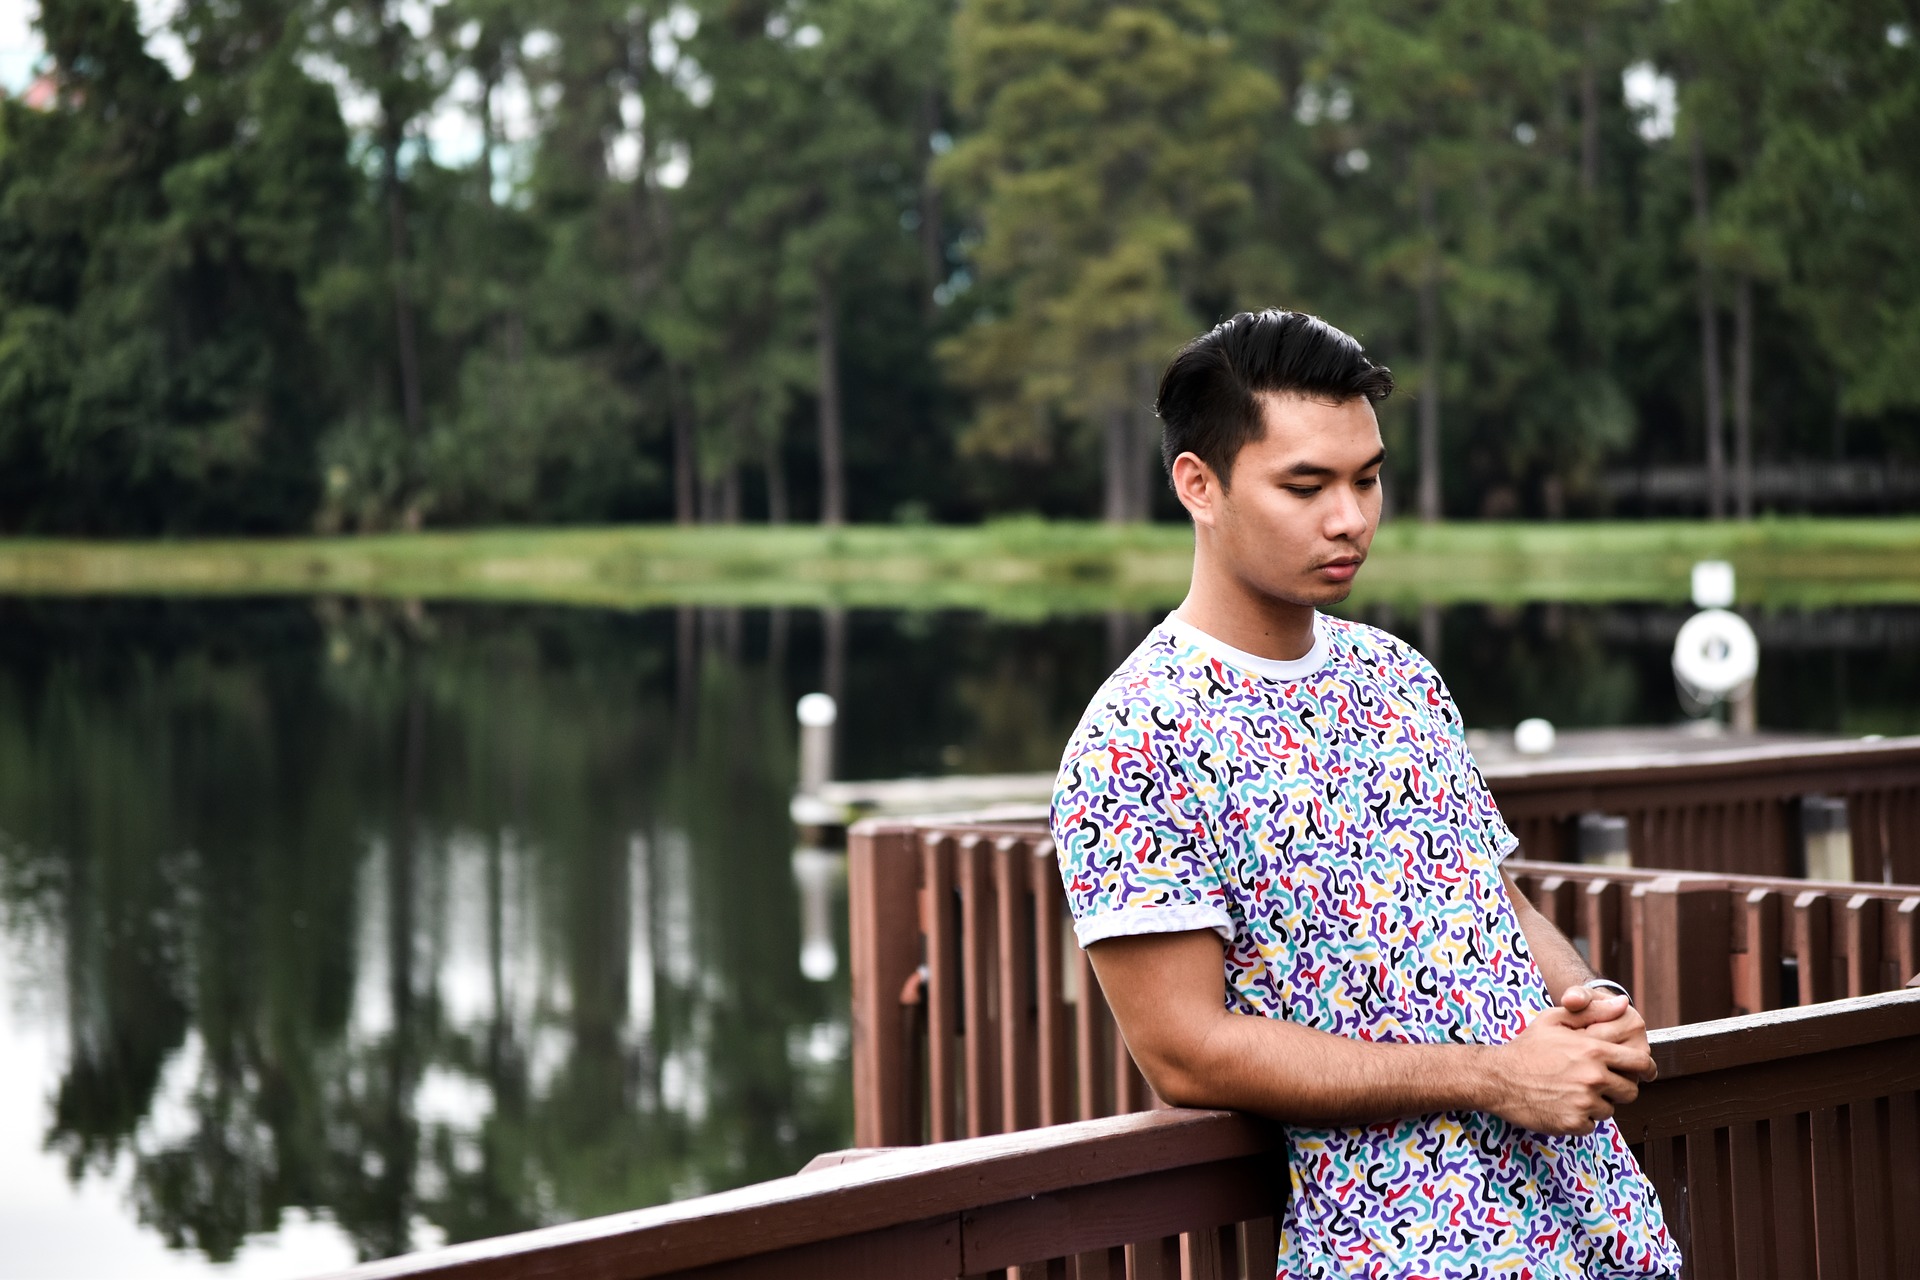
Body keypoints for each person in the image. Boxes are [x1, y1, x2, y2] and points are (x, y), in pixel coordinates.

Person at [1050, 310, 1681, 1278]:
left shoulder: (1401, 675)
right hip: (1402, 1247)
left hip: (1599, 1221)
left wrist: (1585, 1001)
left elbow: (1492, 898)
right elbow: (1185, 1050)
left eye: (1368, 478)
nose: (1350, 518)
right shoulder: (1136, 736)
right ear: (1198, 484)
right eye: (1306, 486)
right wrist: (1493, 1076)